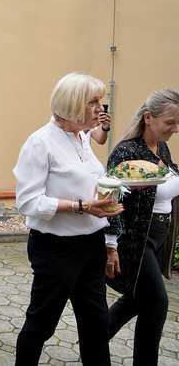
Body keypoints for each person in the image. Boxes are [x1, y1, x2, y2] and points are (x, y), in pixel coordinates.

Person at [13, 72, 124, 365]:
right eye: (93, 102)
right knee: (41, 326)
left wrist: (109, 238)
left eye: (101, 101)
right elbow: (27, 201)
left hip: (91, 245)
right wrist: (81, 206)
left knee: (97, 327)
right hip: (55, 250)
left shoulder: (81, 138)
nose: (101, 108)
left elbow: (89, 187)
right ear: (73, 104)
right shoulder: (40, 143)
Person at [105, 89, 179, 365]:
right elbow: (110, 196)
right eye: (170, 122)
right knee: (157, 304)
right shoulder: (127, 151)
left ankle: (94, 340)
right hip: (136, 239)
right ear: (149, 117)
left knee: (137, 300)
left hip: (160, 236)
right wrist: (110, 245)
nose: (176, 128)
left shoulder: (162, 147)